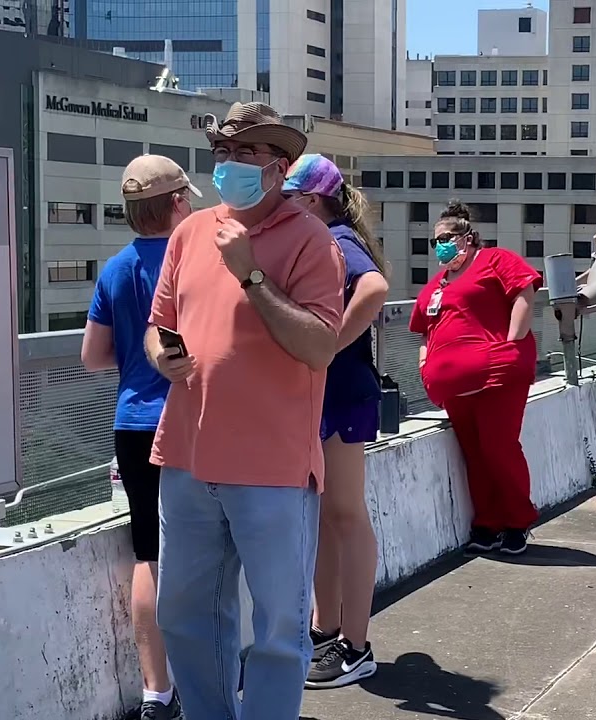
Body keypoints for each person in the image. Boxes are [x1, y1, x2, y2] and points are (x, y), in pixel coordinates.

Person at [145, 102, 346, 720]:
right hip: (186, 455)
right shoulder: (188, 231)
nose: (229, 166)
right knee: (185, 616)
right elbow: (159, 325)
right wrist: (163, 357)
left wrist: (252, 276)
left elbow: (318, 345)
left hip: (274, 468)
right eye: (223, 154)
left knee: (280, 627)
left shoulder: (310, 239)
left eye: (245, 155)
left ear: (279, 168)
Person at [80, 155, 199, 720]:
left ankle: (157, 692)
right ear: (176, 202)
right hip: (195, 422)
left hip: (132, 424)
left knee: (148, 556)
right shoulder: (197, 261)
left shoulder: (115, 269)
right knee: (206, 555)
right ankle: (210, 685)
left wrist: (135, 364)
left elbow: (91, 356)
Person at [282, 154, 387, 690]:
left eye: (290, 196)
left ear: (312, 199)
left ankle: (356, 645)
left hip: (341, 395)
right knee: (325, 517)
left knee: (344, 515)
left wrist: (328, 346)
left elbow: (373, 290)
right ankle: (327, 630)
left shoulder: (336, 239)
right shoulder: (328, 236)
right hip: (326, 396)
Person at [409, 201, 542, 556]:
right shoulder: (436, 284)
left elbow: (524, 295)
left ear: (467, 237)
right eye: (435, 241)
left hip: (497, 376)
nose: (440, 245)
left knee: (499, 448)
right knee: (475, 454)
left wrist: (511, 345)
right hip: (454, 387)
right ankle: (488, 522)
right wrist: (425, 366)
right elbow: (424, 328)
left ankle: (517, 521)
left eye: (447, 237)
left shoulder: (495, 259)